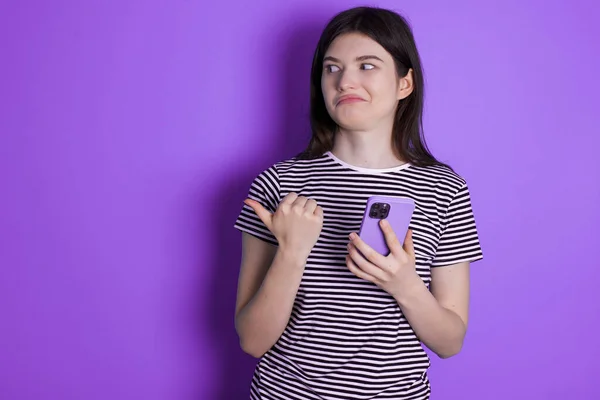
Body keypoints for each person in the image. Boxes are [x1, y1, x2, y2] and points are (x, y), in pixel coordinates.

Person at [233, 6, 483, 400]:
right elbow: (252, 340)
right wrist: (292, 254)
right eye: (331, 68)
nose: (345, 80)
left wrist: (405, 286)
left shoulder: (444, 189)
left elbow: (450, 342)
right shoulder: (280, 182)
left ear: (405, 83)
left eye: (367, 65)